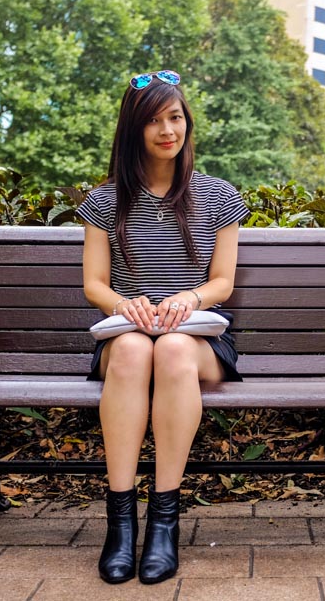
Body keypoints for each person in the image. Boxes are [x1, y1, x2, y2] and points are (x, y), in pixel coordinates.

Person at [76, 70, 248, 585]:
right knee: (133, 352)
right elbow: (94, 285)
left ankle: (164, 524)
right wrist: (127, 306)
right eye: (153, 120)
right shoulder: (105, 201)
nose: (167, 130)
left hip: (196, 338)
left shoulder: (217, 196)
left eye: (175, 117)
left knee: (172, 349)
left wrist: (186, 299)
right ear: (134, 130)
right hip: (127, 332)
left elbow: (222, 282)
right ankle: (121, 526)